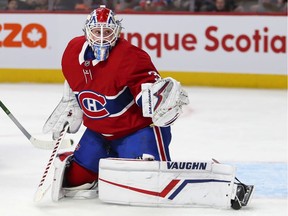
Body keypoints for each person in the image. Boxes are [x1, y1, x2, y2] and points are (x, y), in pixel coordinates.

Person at [43, 5, 189, 201]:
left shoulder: (130, 56)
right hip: (98, 133)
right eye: (96, 31)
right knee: (74, 183)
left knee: (149, 186)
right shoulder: (71, 51)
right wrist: (72, 107)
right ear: (87, 31)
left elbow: (148, 90)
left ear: (117, 32)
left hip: (136, 131)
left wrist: (160, 98)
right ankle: (104, 171)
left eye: (108, 32)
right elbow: (74, 84)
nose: (102, 37)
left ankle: (128, 164)